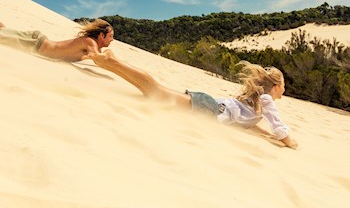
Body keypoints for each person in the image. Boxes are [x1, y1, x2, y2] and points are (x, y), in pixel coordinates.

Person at [84, 50, 298, 149]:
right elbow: (281, 129)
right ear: (277, 87)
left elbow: (247, 123)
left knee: (152, 93)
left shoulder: (257, 103)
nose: (284, 92)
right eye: (284, 88)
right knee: (155, 91)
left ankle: (111, 64)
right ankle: (113, 61)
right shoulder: (267, 102)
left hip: (208, 105)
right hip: (208, 108)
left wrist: (268, 136)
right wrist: (289, 142)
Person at [0, 19, 114, 62]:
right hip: (35, 42)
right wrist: (108, 54)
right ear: (101, 36)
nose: (112, 40)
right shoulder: (90, 42)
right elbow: (95, 56)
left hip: (37, 44)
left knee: (4, 31)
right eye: (111, 36)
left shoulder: (91, 44)